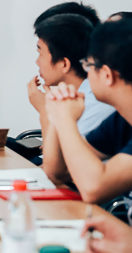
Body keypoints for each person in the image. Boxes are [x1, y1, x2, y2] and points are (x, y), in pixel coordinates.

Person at [42, 19, 132, 204]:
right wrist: (57, 110)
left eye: (88, 66)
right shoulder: (121, 120)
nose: (86, 74)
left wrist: (65, 119)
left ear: (107, 74)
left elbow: (94, 188)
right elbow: (56, 171)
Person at [27, 14, 114, 142]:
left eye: (40, 53)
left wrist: (45, 111)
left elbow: (59, 155)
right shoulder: (80, 95)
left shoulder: (94, 104)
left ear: (64, 64)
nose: (37, 62)